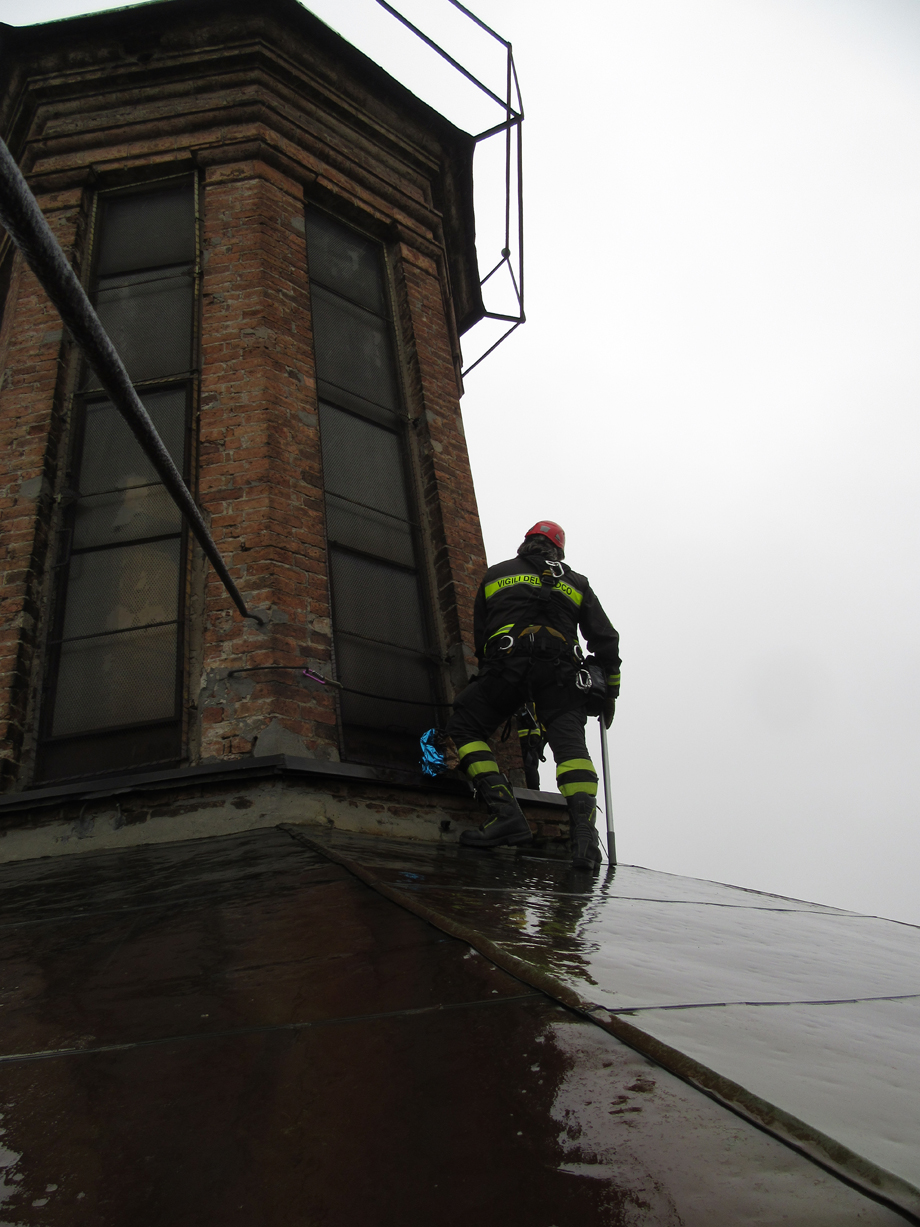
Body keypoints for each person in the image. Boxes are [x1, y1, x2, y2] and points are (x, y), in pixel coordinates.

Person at [447, 521, 620, 870]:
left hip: (508, 667)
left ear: (525, 544)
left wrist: (491, 680)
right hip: (562, 676)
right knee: (572, 752)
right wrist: (609, 692)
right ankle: (584, 839)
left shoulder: (496, 574)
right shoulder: (577, 582)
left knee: (465, 726)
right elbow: (606, 640)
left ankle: (505, 813)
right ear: (558, 551)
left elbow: (482, 636)